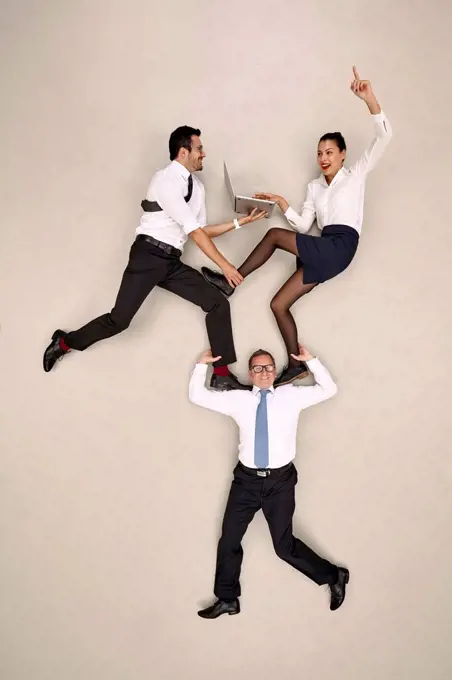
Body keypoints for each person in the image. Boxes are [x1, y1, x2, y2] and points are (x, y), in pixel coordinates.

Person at [202, 67, 393, 387]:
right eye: (320, 153)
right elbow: (304, 225)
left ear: (343, 155)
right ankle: (296, 364)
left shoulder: (356, 175)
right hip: (323, 248)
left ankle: (230, 282)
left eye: (330, 152)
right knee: (278, 304)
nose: (323, 157)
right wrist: (279, 201)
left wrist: (369, 99)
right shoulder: (315, 187)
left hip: (341, 245)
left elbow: (384, 136)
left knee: (275, 235)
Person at [43, 126, 266, 390]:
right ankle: (65, 343)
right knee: (119, 321)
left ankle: (221, 375)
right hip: (147, 256)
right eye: (199, 149)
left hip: (171, 261)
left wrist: (241, 223)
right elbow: (195, 232)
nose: (203, 154)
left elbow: (202, 230)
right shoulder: (165, 180)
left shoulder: (198, 187)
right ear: (183, 152)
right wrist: (226, 266)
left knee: (217, 303)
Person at [189, 345, 348, 619]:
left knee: (283, 547)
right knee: (229, 540)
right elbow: (197, 396)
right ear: (250, 374)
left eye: (269, 367)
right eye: (258, 368)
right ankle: (228, 599)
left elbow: (329, 389)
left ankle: (334, 575)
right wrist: (201, 365)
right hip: (246, 482)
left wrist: (312, 361)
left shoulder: (291, 396)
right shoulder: (237, 399)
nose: (264, 372)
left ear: (275, 371)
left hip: (280, 482)